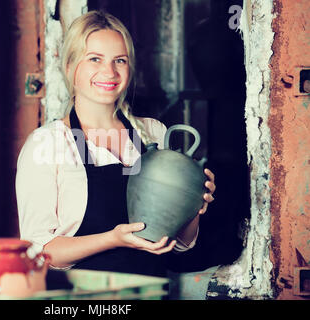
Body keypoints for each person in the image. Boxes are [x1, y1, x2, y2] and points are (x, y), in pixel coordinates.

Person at [16, 10, 216, 277]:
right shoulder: (47, 144)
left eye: (119, 60)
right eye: (95, 59)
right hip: (85, 299)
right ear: (70, 66)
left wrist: (193, 202)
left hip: (152, 291)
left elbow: (179, 243)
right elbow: (38, 252)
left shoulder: (153, 133)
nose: (109, 72)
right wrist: (113, 238)